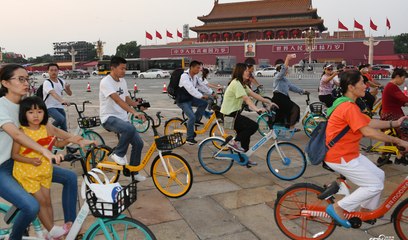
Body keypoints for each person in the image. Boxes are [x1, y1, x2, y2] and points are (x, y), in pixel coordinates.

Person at [0, 64, 89, 240]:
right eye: (20, 79)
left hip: (24, 162)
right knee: (31, 206)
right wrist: (44, 151)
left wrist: (77, 139)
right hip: (3, 167)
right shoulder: (1, 106)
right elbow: (16, 134)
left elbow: (52, 130)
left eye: (27, 79)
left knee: (70, 178)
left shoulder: (26, 105)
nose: (26, 83)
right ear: (5, 83)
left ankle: (69, 227)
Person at [323, 70, 408, 228]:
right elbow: (368, 131)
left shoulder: (348, 104)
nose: (366, 86)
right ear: (351, 87)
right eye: (362, 83)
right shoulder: (347, 107)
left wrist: (395, 123)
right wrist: (398, 141)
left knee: (379, 175)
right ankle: (338, 207)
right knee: (374, 185)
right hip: (340, 156)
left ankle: (366, 211)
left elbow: (368, 122)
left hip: (349, 153)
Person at [99, 56, 146, 181]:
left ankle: (133, 172)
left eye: (125, 68)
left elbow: (125, 98)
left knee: (139, 144)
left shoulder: (122, 81)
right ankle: (118, 153)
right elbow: (118, 100)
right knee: (129, 128)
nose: (124, 71)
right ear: (112, 68)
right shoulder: (106, 82)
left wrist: (137, 106)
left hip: (122, 118)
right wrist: (133, 112)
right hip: (109, 117)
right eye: (122, 68)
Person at [220, 63, 277, 159]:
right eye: (246, 71)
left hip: (234, 114)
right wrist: (257, 109)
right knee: (253, 126)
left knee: (245, 134)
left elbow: (254, 95)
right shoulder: (236, 83)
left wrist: (269, 102)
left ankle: (244, 157)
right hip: (229, 115)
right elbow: (246, 98)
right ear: (240, 72)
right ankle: (232, 142)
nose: (248, 72)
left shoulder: (242, 84)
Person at [176, 60, 213, 145]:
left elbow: (202, 86)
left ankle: (195, 120)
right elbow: (190, 89)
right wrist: (201, 96)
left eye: (200, 68)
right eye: (197, 68)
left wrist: (212, 93)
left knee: (204, 103)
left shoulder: (195, 77)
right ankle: (189, 138)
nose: (199, 69)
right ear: (191, 67)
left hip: (190, 98)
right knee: (191, 117)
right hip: (182, 101)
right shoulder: (184, 76)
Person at [377, 68, 408, 166]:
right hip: (391, 115)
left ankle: (382, 158)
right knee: (405, 130)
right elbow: (403, 98)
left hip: (389, 114)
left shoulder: (391, 86)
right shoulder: (392, 86)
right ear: (398, 76)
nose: (403, 81)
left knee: (389, 136)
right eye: (403, 78)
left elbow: (401, 101)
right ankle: (400, 156)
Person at [271, 54, 309, 130]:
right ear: (280, 70)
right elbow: (283, 70)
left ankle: (290, 125)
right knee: (295, 108)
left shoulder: (285, 79)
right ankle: (291, 127)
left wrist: (302, 91)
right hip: (278, 98)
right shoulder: (277, 77)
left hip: (284, 98)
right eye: (286, 70)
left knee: (290, 111)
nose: (287, 71)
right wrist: (287, 59)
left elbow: (292, 87)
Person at [43, 63, 72, 131]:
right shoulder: (47, 82)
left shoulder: (61, 81)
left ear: (58, 71)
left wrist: (68, 88)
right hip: (49, 107)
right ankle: (47, 130)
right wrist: (62, 101)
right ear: (48, 71)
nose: (54, 72)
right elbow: (53, 93)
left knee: (64, 128)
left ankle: (60, 137)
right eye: (51, 70)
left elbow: (69, 93)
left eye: (55, 70)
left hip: (59, 107)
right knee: (60, 119)